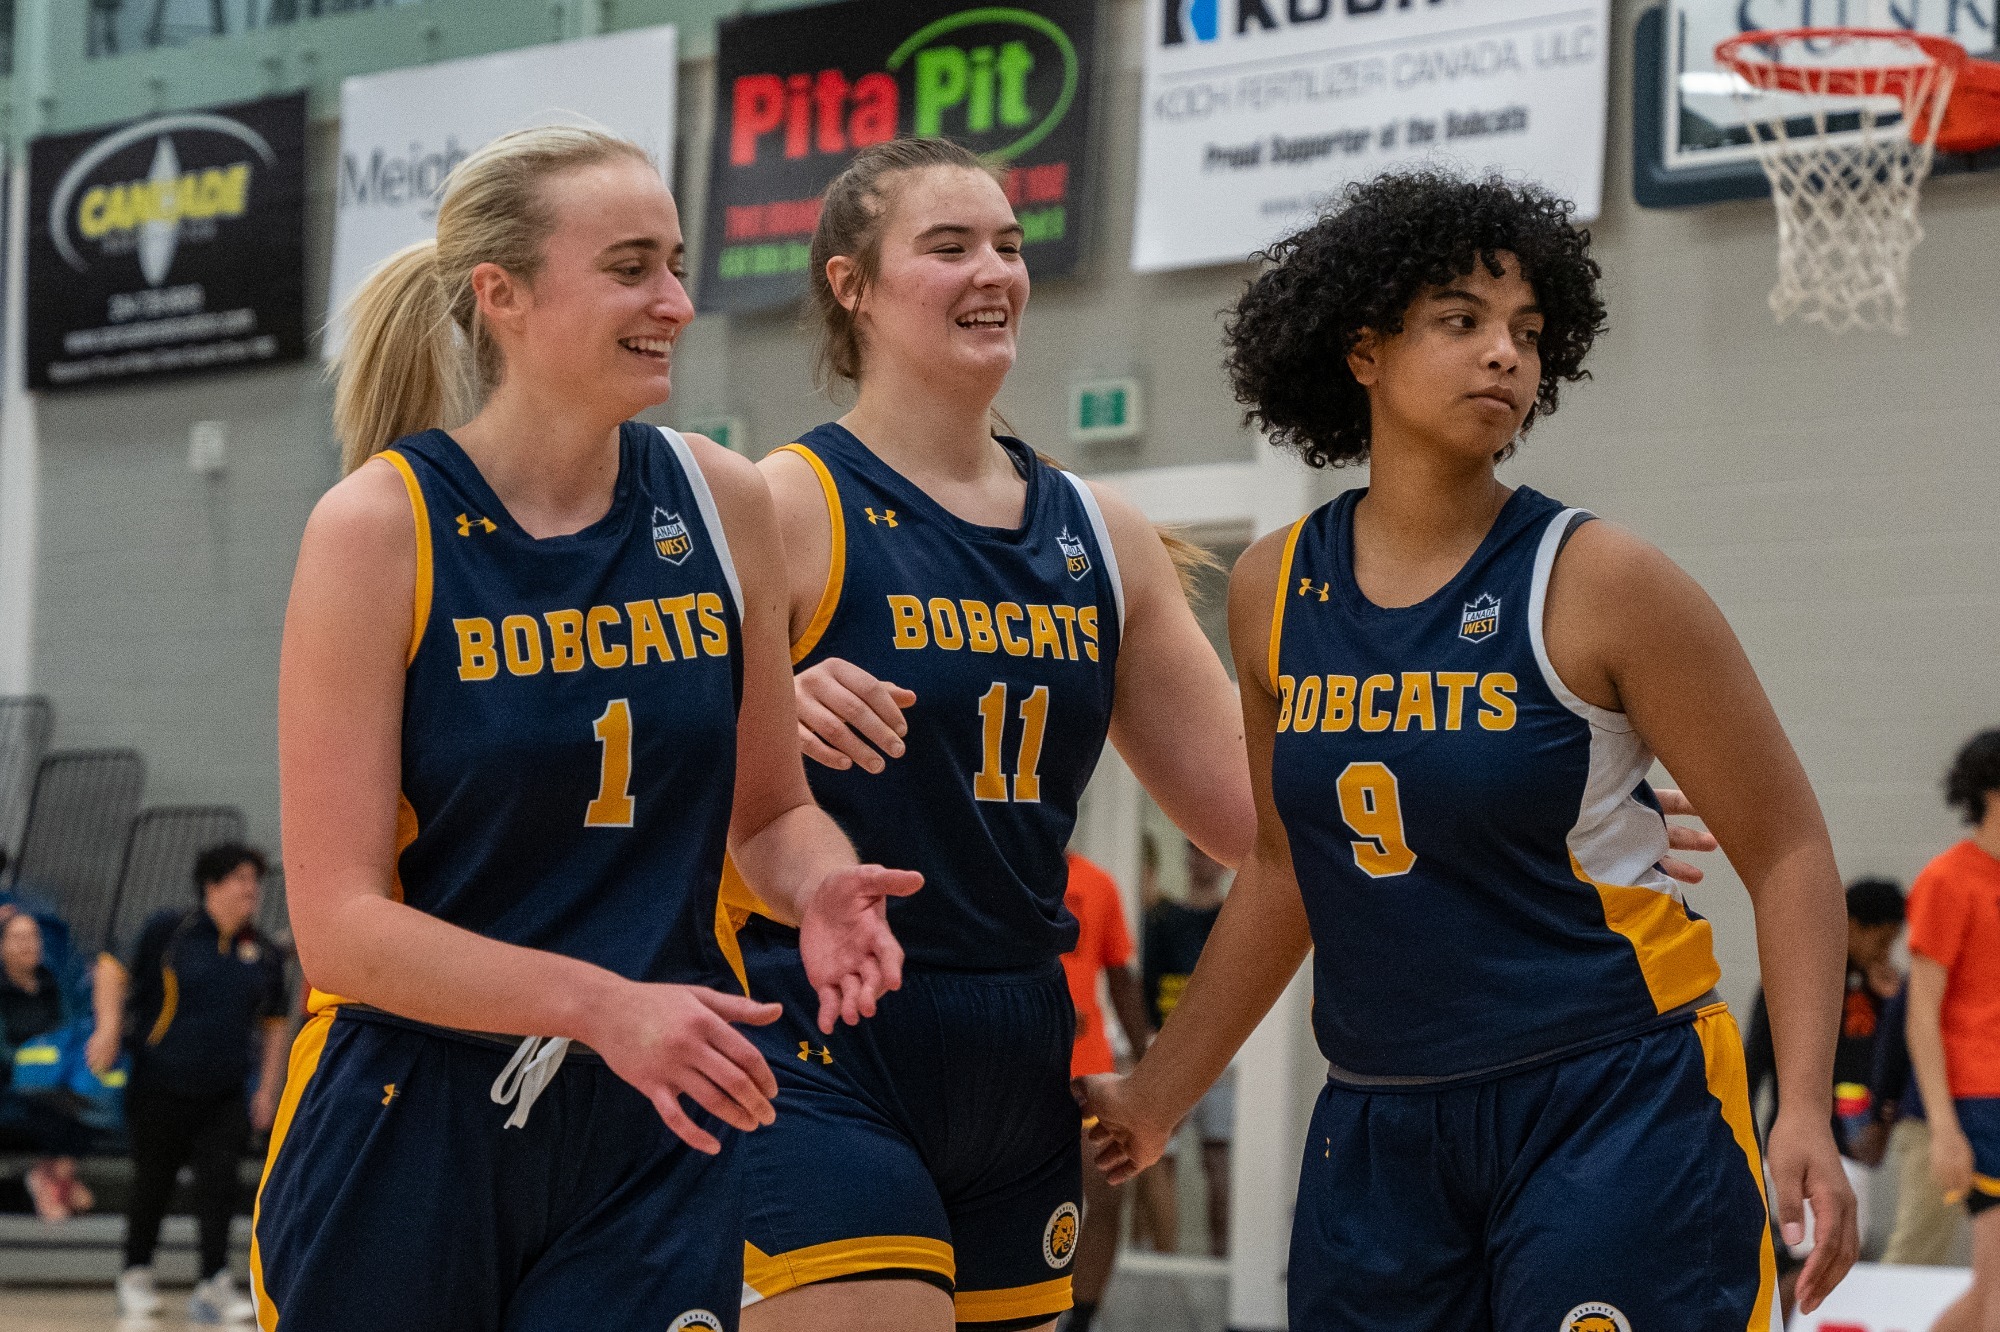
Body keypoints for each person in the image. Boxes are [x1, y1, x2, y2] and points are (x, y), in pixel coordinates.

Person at [1080, 170, 1859, 1329]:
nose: (1503, 353)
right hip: (1380, 1118)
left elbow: (1787, 847)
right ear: (1362, 350)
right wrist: (1155, 1095)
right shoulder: (1270, 589)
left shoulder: (1600, 580)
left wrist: (1801, 1104)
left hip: (1612, 1098)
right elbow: (1287, 871)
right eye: (1459, 320)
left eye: (1526, 333)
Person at [259, 125, 918, 1332]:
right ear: (501, 295)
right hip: (413, 1112)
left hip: (653, 1112)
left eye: (675, 264)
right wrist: (597, 1005)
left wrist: (820, 885)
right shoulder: (378, 529)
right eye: (629, 268)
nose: (674, 302)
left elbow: (770, 811)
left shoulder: (720, 501)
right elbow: (341, 926)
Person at [726, 136, 1252, 1332]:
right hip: (821, 1028)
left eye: (1008, 246)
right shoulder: (783, 503)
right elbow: (613, 769)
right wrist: (742, 709)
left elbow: (1265, 825)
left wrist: (1558, 803)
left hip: (1020, 1041)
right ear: (851, 286)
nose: (994, 272)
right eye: (949, 246)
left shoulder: (1100, 535)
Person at [88, 843, 289, 1321]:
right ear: (211, 885)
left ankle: (214, 1283)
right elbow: (111, 969)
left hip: (225, 1092)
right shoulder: (170, 930)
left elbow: (276, 1025)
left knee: (220, 1188)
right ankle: (135, 1273)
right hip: (158, 1083)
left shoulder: (262, 952)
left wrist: (267, 1089)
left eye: (255, 881)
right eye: (240, 878)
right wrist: (109, 1028)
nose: (252, 890)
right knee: (152, 1183)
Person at [1904, 728, 2000, 1332]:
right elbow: (1920, 1015)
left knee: (1988, 1293)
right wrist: (1943, 1128)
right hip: (1980, 1100)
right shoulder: (1948, 880)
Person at [1059, 852, 1152, 1332]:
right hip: (1013, 1072)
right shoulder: (998, 871)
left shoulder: (1097, 884)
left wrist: (1149, 1070)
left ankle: (1083, 1317)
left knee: (1106, 1195)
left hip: (1089, 1074)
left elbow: (1121, 980)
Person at [1139, 842, 1232, 1257]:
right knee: (1159, 1159)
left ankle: (1223, 1257)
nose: (1202, 859)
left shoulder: (1233, 919)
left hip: (1225, 1057)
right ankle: (1162, 1260)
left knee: (1219, 1162)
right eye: (1194, 850)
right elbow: (1145, 986)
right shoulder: (1160, 918)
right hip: (1167, 1051)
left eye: (1208, 851)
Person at [0, 906, 93, 1222]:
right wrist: (34, 1061)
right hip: (11, 1084)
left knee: (86, 1099)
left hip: (55, 1079)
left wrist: (59, 1063)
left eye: (33, 937)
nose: (28, 945)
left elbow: (70, 1032)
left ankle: (52, 1178)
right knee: (56, 1104)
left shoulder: (52, 984)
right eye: (18, 938)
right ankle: (55, 1183)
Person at [1877, 977, 1970, 1265]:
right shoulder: (1931, 973)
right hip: (1931, 1121)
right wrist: (1881, 1109)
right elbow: (1895, 1041)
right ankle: (1889, 1296)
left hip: (1977, 1114)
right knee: (1919, 1242)